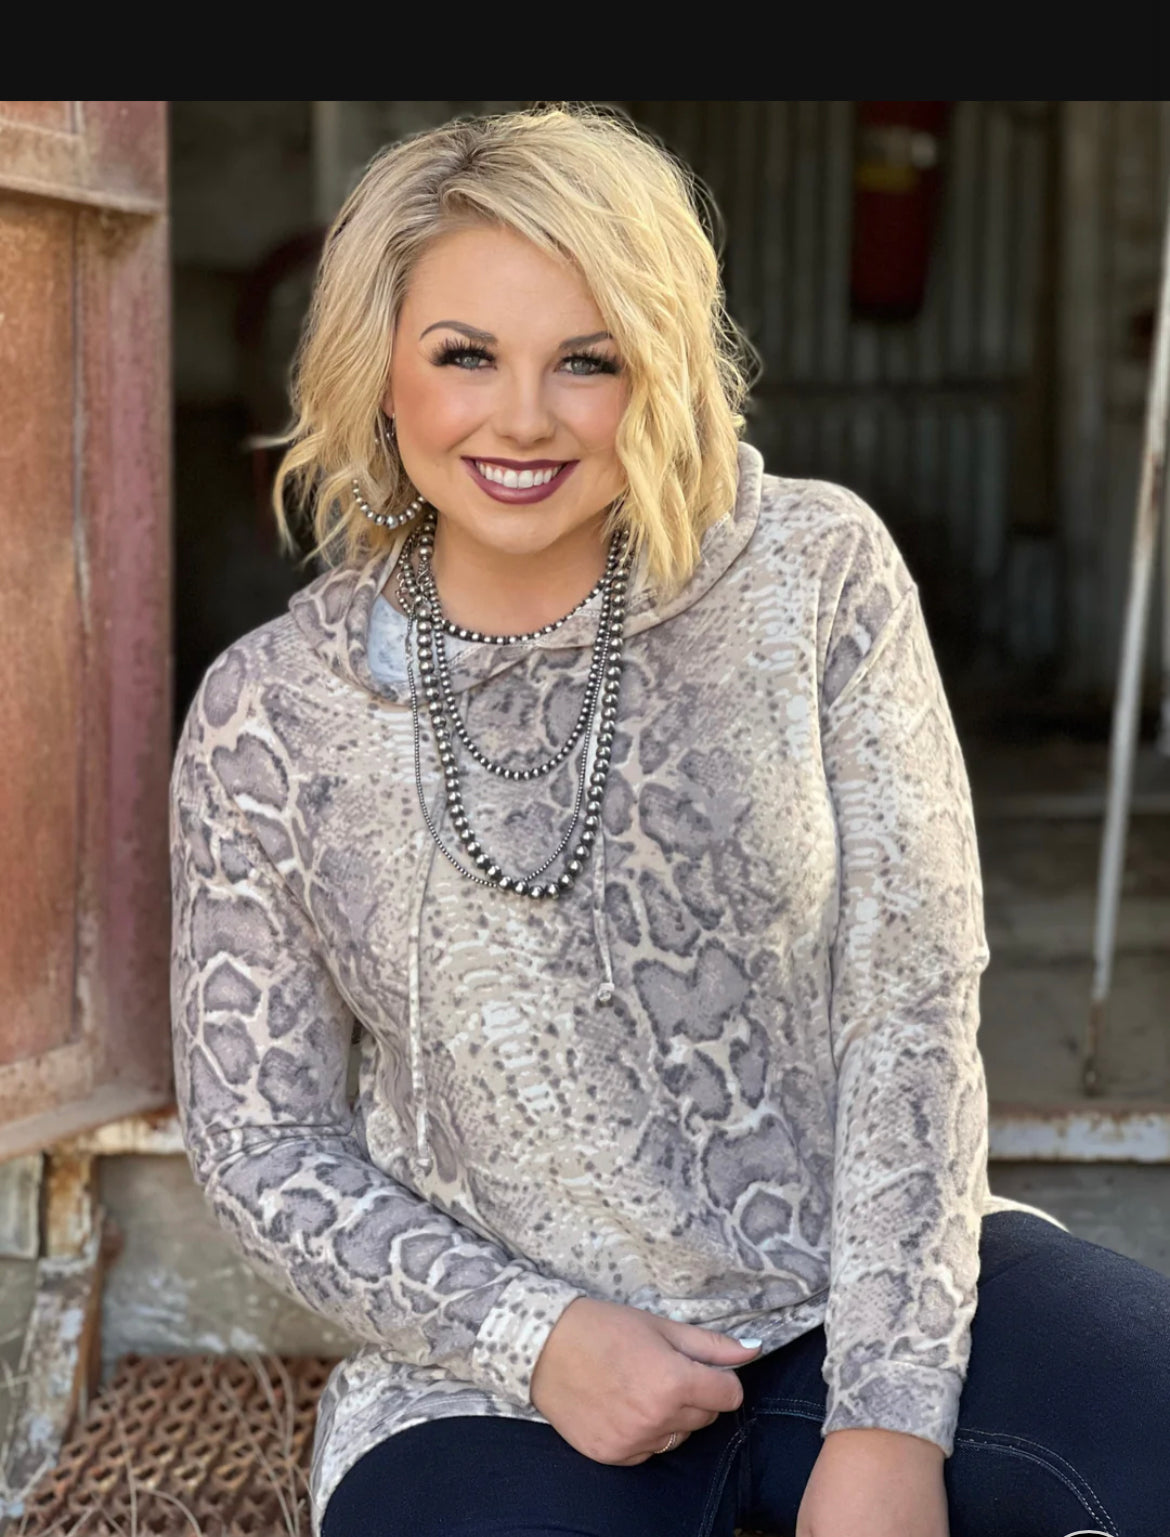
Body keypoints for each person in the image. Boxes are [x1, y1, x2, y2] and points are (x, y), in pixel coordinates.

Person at [170, 105, 1170, 1537]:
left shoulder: (813, 575)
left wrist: (887, 1421)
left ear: (660, 366)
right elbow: (263, 1146)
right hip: (498, 1380)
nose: (524, 417)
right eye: (465, 355)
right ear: (376, 369)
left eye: (587, 358)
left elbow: (908, 1006)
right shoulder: (272, 712)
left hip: (860, 1295)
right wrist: (537, 1334)